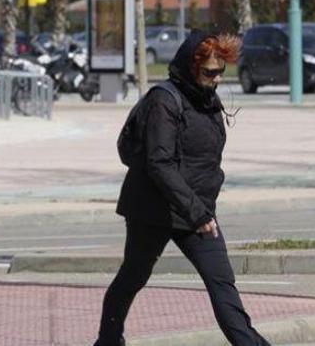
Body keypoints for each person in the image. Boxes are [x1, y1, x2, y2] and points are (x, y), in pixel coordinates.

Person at [94, 31, 270, 346]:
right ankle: (108, 340)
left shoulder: (208, 100)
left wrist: (202, 205)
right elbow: (159, 163)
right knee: (134, 275)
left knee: (222, 283)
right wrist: (196, 212)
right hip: (154, 209)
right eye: (210, 72)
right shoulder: (164, 100)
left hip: (197, 209)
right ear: (191, 66)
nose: (216, 79)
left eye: (220, 72)